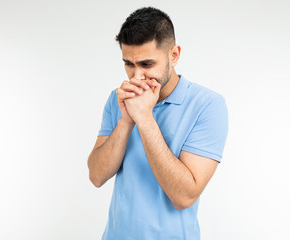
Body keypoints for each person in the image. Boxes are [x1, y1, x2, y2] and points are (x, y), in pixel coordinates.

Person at [87, 6, 228, 240]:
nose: (136, 77)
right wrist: (125, 121)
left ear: (174, 55)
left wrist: (144, 118)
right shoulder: (118, 99)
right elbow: (96, 176)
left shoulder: (208, 105)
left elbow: (184, 196)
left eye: (146, 64)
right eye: (129, 64)